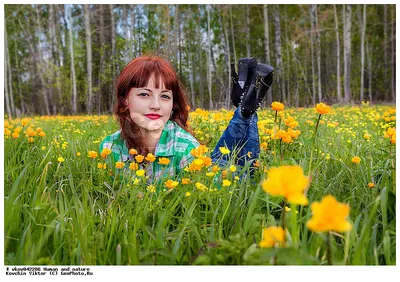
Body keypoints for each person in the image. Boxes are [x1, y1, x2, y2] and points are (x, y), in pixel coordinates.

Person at [99, 55, 273, 183]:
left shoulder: (186, 148)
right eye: (144, 94)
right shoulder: (109, 147)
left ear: (173, 103)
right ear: (125, 100)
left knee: (243, 173)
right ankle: (244, 105)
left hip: (214, 177)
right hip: (202, 163)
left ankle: (245, 111)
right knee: (219, 159)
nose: (156, 105)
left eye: (165, 96)